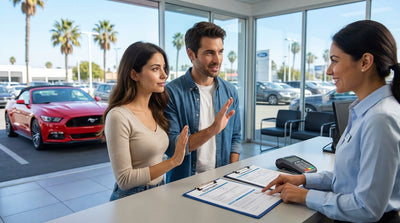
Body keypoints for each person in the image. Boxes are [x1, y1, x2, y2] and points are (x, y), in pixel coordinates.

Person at [262, 20, 400, 222]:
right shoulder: (365, 110)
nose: (328, 70)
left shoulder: (380, 119)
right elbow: (347, 179)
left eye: (335, 60)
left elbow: (366, 208)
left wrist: (305, 195)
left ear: (365, 62)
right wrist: (303, 179)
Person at [102, 42, 189, 201]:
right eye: (155, 69)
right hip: (131, 198)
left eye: (164, 68)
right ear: (134, 74)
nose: (164, 75)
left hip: (158, 191)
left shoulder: (155, 110)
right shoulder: (118, 116)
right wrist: (173, 162)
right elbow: (125, 179)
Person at [164, 21, 242, 183]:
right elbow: (172, 147)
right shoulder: (171, 93)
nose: (217, 60)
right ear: (191, 55)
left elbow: (235, 138)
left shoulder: (230, 92)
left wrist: (231, 175)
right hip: (183, 182)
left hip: (221, 180)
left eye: (220, 52)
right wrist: (213, 129)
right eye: (209, 53)